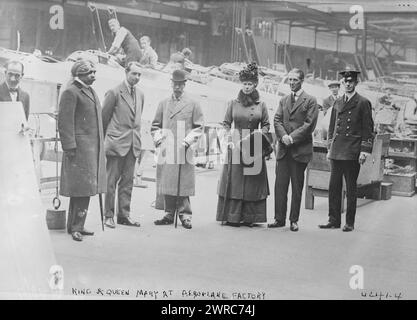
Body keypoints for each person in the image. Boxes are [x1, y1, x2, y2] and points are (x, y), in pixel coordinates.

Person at [319, 68, 374, 232]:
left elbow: (368, 129)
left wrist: (365, 150)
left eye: (351, 81)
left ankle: (349, 222)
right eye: (345, 82)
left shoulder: (363, 102)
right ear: (342, 83)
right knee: (334, 186)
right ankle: (333, 220)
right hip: (337, 149)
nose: (348, 84)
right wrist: (330, 145)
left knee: (351, 188)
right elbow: (332, 126)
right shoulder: (337, 102)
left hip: (353, 150)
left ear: (356, 83)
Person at [216, 62, 271, 227]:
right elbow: (225, 123)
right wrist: (228, 139)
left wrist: (260, 135)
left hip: (253, 146)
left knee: (252, 183)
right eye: (245, 84)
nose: (247, 87)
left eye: (250, 84)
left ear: (255, 85)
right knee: (236, 182)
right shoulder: (233, 103)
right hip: (236, 145)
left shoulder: (261, 104)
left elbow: (267, 125)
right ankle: (232, 216)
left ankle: (250, 217)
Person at [58, 60, 107, 241]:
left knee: (84, 189)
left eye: (94, 72)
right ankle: (76, 227)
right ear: (79, 75)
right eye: (89, 73)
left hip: (90, 150)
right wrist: (69, 147)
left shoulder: (90, 91)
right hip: (79, 150)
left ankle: (75, 224)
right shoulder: (71, 92)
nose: (93, 75)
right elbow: (64, 122)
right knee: (81, 189)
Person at [151, 69, 204, 229]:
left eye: (181, 84)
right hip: (167, 149)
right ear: (171, 84)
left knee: (183, 184)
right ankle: (168, 213)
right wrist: (159, 138)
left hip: (184, 149)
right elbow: (155, 126)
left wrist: (188, 141)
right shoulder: (163, 103)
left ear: (185, 84)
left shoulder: (193, 103)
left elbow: (199, 126)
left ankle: (185, 215)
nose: (177, 87)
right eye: (175, 84)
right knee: (168, 182)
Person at [268, 68, 318, 232]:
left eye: (294, 80)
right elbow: (277, 120)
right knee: (280, 186)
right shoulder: (284, 100)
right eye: (289, 80)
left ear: (301, 81)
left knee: (297, 187)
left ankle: (294, 220)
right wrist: (283, 137)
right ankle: (279, 218)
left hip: (299, 150)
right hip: (284, 150)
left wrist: (292, 137)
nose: (291, 83)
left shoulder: (310, 100)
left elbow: (309, 125)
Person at [102, 61, 144, 229]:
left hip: (133, 144)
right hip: (116, 143)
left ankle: (124, 215)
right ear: (126, 73)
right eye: (134, 73)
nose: (137, 77)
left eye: (139, 75)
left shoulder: (140, 94)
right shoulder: (114, 92)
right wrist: (104, 142)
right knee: (111, 181)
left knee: (128, 181)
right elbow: (103, 119)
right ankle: (108, 215)